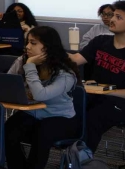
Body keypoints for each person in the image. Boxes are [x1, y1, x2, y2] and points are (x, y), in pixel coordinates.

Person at [69, 0, 125, 161]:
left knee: (95, 117)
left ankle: (81, 157)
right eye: (113, 15)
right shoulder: (100, 41)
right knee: (71, 105)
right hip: (98, 95)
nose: (112, 19)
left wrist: (109, 91)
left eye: (119, 17)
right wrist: (51, 50)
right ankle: (67, 148)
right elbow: (75, 59)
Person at [5, 26, 80, 169]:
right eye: (27, 42)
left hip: (60, 117)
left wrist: (30, 66)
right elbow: (8, 82)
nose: (27, 47)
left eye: (33, 43)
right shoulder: (24, 61)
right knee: (8, 130)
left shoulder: (65, 74)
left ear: (47, 47)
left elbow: (41, 95)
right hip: (32, 112)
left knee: (43, 133)